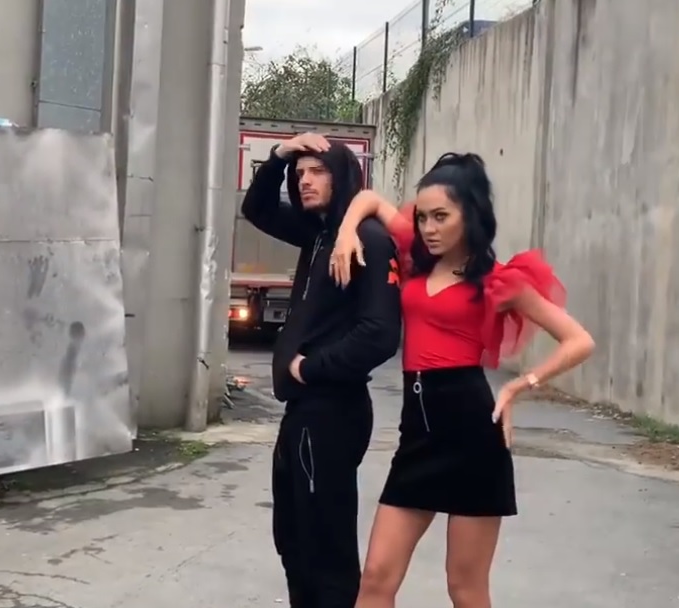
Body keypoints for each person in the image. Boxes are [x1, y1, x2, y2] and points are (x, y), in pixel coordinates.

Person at [328, 152, 595, 608]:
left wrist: (518, 385)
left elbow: (579, 340)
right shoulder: (417, 253)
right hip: (417, 435)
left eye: (441, 217)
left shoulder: (499, 282)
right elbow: (369, 198)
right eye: (422, 217)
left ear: (469, 215)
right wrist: (345, 232)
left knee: (465, 588)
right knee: (375, 578)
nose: (428, 228)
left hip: (472, 436)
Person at [241, 132, 402, 608]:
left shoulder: (369, 240)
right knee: (294, 541)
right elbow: (257, 209)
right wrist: (279, 156)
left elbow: (380, 333)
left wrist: (311, 368)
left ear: (343, 176)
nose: (304, 181)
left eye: (317, 171)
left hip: (332, 410)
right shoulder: (317, 234)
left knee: (326, 552)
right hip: (303, 411)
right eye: (299, 173)